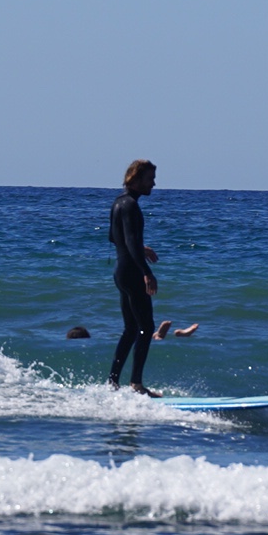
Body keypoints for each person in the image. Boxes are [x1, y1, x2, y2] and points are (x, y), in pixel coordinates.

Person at [109, 159, 162, 395]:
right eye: (150, 179)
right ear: (136, 178)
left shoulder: (118, 202)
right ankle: (136, 384)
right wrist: (147, 273)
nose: (153, 184)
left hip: (121, 272)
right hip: (131, 273)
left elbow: (113, 237)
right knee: (146, 327)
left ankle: (112, 382)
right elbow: (129, 240)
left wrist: (140, 248)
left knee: (131, 329)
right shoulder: (130, 205)